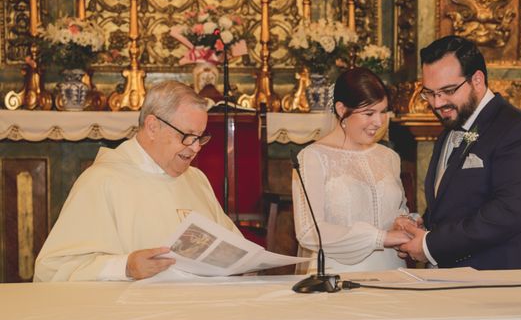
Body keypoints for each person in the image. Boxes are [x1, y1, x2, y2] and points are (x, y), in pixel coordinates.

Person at [34, 80, 241, 282]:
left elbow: (235, 248)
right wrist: (126, 267)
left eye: (200, 137)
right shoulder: (102, 181)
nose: (196, 148)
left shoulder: (196, 179)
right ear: (152, 127)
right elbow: (52, 270)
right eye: (187, 136)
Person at [396, 36, 521, 269]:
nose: (437, 103)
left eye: (448, 90)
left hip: (499, 284)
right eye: (429, 93)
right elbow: (457, 201)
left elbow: (508, 212)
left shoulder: (519, 131)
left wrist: (431, 245)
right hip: (456, 284)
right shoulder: (451, 126)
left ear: (477, 80)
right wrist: (421, 226)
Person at [292, 67, 411, 274]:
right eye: (369, 113)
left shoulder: (389, 157)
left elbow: (396, 208)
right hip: (339, 276)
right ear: (341, 109)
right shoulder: (313, 158)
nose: (379, 121)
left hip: (393, 273)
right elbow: (309, 232)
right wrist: (381, 238)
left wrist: (405, 222)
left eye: (383, 111)